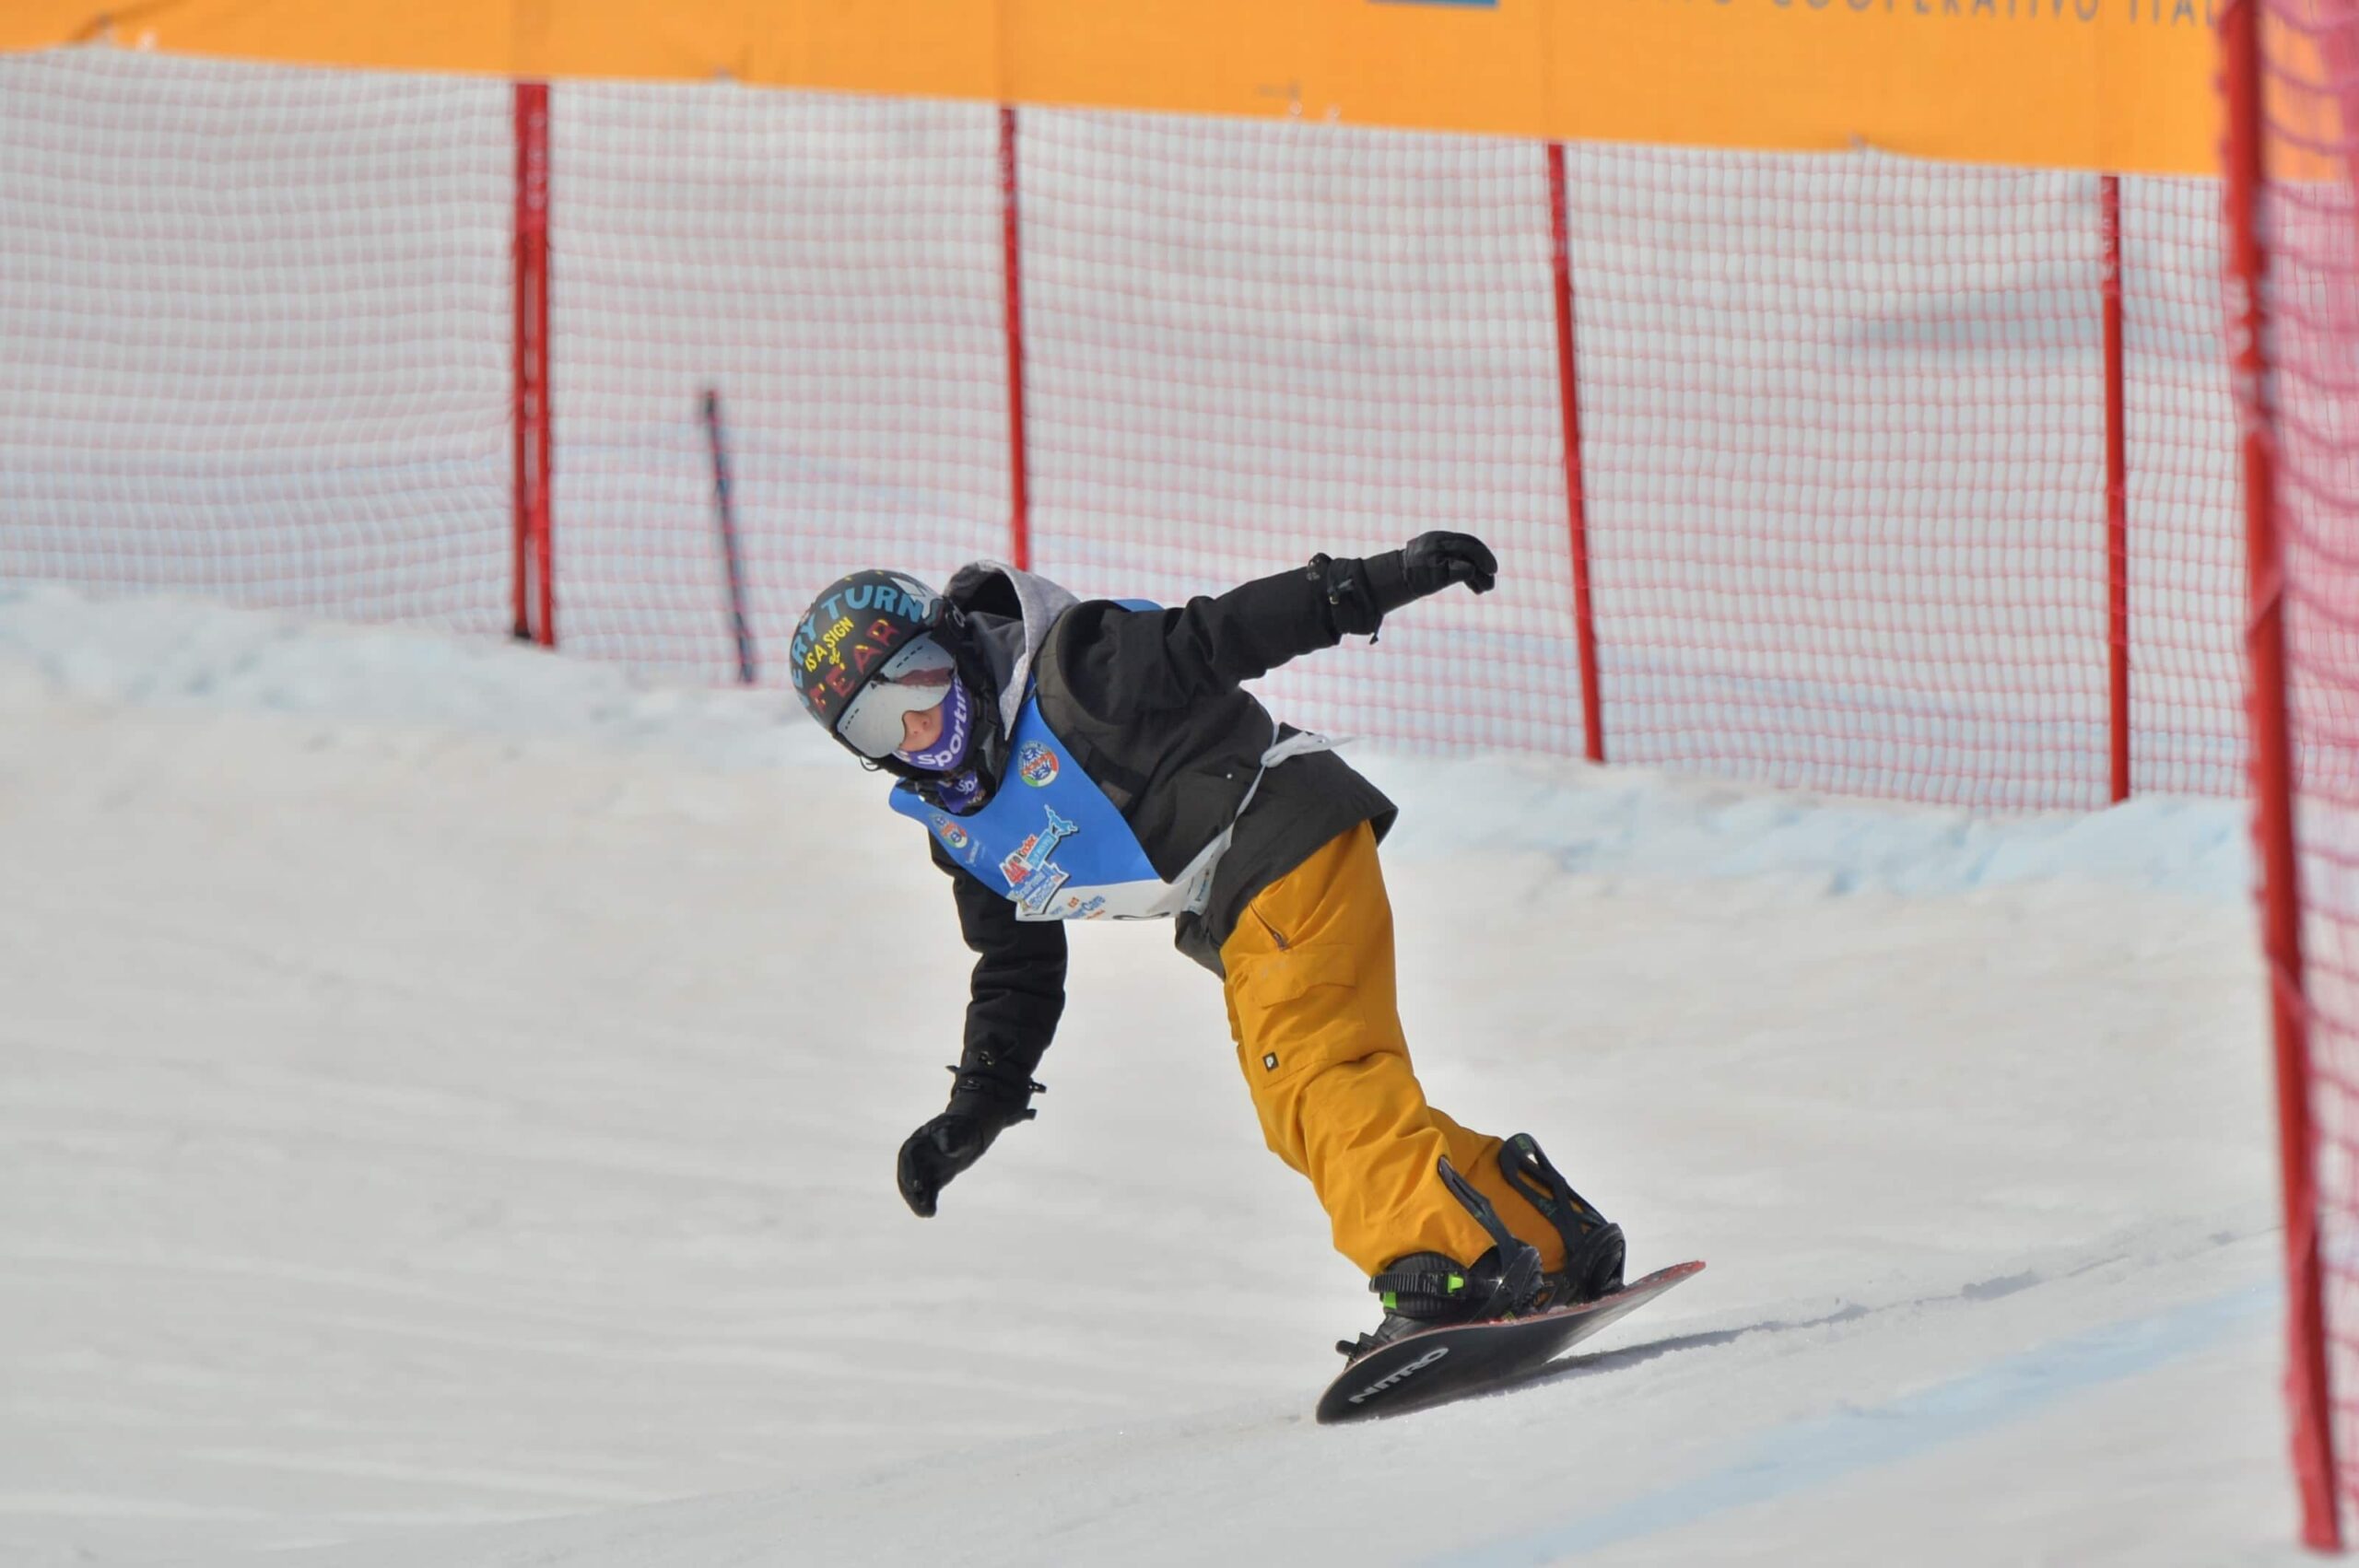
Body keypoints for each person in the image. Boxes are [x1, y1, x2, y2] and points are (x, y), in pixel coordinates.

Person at [791, 536, 1625, 1357]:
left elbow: (1222, 633)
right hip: (1244, 903)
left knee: (1317, 1077)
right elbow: (1015, 966)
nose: (918, 723)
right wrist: (979, 1103)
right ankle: (1547, 1237)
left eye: (921, 676)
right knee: (1305, 1113)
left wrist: (1375, 584)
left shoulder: (1079, 670)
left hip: (1278, 839)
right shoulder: (962, 824)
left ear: (958, 641)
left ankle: (1446, 1268)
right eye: (877, 723)